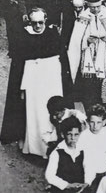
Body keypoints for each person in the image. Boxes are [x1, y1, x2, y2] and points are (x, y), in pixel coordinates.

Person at [19, 8, 65, 158]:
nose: (37, 26)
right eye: (34, 23)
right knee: (34, 112)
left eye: (40, 22)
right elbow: (22, 62)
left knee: (49, 113)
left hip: (51, 78)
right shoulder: (25, 36)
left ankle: (50, 149)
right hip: (33, 79)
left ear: (45, 20)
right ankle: (34, 148)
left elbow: (59, 58)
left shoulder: (52, 34)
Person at [68, 0, 106, 108]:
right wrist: (86, 40)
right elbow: (75, 41)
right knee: (89, 92)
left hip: (105, 55)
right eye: (92, 7)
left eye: (97, 7)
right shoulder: (82, 17)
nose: (95, 10)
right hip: (88, 56)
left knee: (104, 89)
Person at [45, 116, 88, 192]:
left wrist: (87, 182)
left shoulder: (83, 149)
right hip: (63, 189)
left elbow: (89, 167)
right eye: (69, 134)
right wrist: (67, 185)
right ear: (62, 135)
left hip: (79, 188)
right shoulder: (57, 152)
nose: (73, 138)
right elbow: (49, 176)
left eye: (76, 134)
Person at [77, 104, 106, 191]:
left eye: (98, 122)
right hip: (90, 174)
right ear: (87, 122)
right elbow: (87, 161)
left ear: (104, 122)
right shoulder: (84, 136)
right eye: (92, 122)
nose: (95, 126)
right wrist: (88, 180)